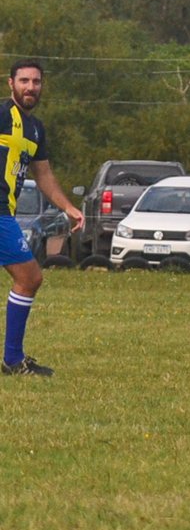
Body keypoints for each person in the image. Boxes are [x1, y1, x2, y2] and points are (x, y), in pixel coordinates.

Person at [0, 60, 84, 377]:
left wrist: (68, 207)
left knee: (29, 279)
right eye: (24, 81)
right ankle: (12, 360)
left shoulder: (35, 128)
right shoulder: (1, 115)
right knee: (30, 277)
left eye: (36, 82)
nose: (30, 87)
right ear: (11, 83)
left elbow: (44, 174)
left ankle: (13, 359)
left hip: (5, 212)